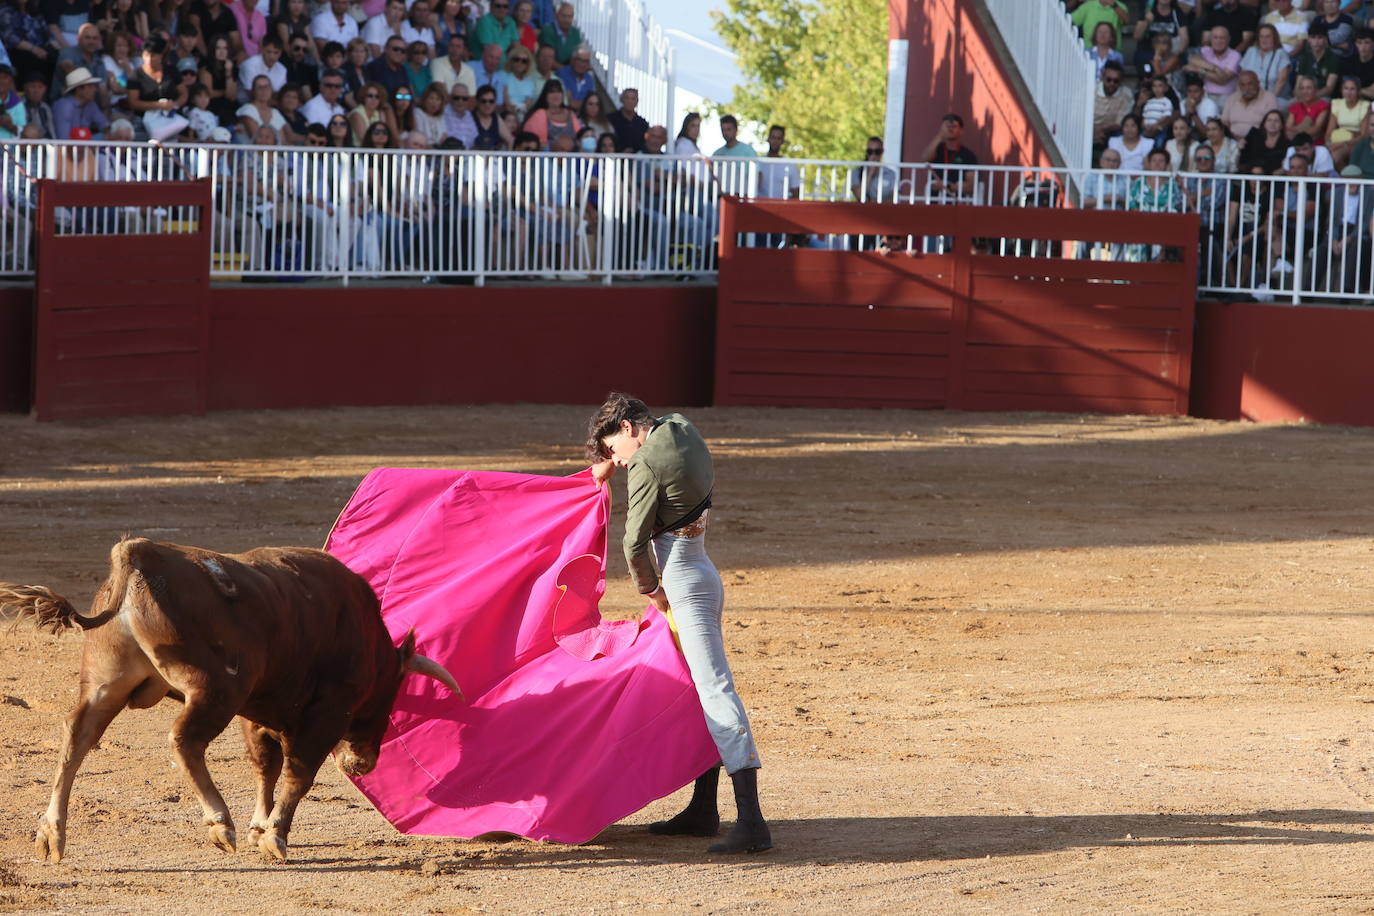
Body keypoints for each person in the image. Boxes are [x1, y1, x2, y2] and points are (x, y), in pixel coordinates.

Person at [586, 394, 770, 856]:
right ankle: (704, 808)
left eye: (614, 449)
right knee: (690, 688)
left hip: (682, 584)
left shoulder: (646, 462)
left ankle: (752, 821)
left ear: (628, 428)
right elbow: (658, 430)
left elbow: (633, 543)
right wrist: (610, 463)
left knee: (713, 687)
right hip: (702, 567)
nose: (619, 461)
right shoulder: (682, 428)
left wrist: (651, 591)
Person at [1185, 24, 1243, 105]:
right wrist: (1214, 68)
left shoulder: (1235, 55)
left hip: (1227, 97)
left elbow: (1223, 80)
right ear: (1210, 39)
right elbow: (1191, 59)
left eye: (1222, 38)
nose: (1218, 41)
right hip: (1205, 95)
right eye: (1215, 38)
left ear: (1229, 39)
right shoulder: (1205, 51)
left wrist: (1200, 70)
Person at [53, 65, 108, 138]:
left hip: (84, 146)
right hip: (66, 147)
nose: (95, 89)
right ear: (79, 90)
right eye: (90, 86)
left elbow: (104, 125)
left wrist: (112, 133)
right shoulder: (64, 106)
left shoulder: (91, 104)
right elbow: (64, 139)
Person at [521, 76, 577, 148]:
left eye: (558, 91)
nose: (556, 95)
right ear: (545, 95)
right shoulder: (539, 114)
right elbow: (535, 144)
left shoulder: (570, 113)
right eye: (552, 92)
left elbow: (580, 136)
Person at [1240, 23, 1291, 97]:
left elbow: (1281, 81)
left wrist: (1269, 100)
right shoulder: (1251, 51)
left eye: (1267, 37)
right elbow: (1242, 77)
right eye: (1261, 36)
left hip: (1274, 97)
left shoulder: (1281, 53)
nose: (1264, 40)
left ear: (1274, 38)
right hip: (1250, 96)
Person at [1222, 69, 1278, 136]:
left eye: (1250, 84)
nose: (1247, 88)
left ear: (1258, 83)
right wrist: (1235, 138)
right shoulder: (1232, 98)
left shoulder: (1269, 98)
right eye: (1243, 85)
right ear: (1239, 86)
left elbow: (1273, 125)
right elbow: (1224, 123)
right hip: (1233, 140)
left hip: (1258, 140)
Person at [1294, 22, 1341, 97]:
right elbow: (1297, 87)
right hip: (1304, 98)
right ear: (1309, 40)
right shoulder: (1304, 58)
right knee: (1286, 106)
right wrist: (1302, 97)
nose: (1316, 42)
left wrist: (1311, 97)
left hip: (1324, 98)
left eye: (1320, 37)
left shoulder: (1333, 58)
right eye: (1313, 37)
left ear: (1325, 39)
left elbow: (1329, 88)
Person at [1093, 61, 1134, 147]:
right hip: (1089, 130)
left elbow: (1120, 122)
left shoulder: (1126, 94)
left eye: (1116, 81)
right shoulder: (1092, 89)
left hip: (1112, 132)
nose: (1112, 83)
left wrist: (1101, 129)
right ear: (1102, 77)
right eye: (1109, 80)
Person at [1287, 74, 1332, 138]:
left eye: (1309, 88)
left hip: (1315, 143)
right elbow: (1288, 128)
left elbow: (1317, 128)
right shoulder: (1295, 107)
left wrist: (1297, 134)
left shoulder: (1323, 106)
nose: (1305, 91)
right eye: (1302, 88)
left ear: (1316, 90)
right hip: (1296, 142)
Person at [607, 86, 646, 152]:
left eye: (633, 99)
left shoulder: (642, 123)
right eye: (627, 98)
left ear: (637, 101)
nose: (629, 101)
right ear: (621, 99)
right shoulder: (611, 119)